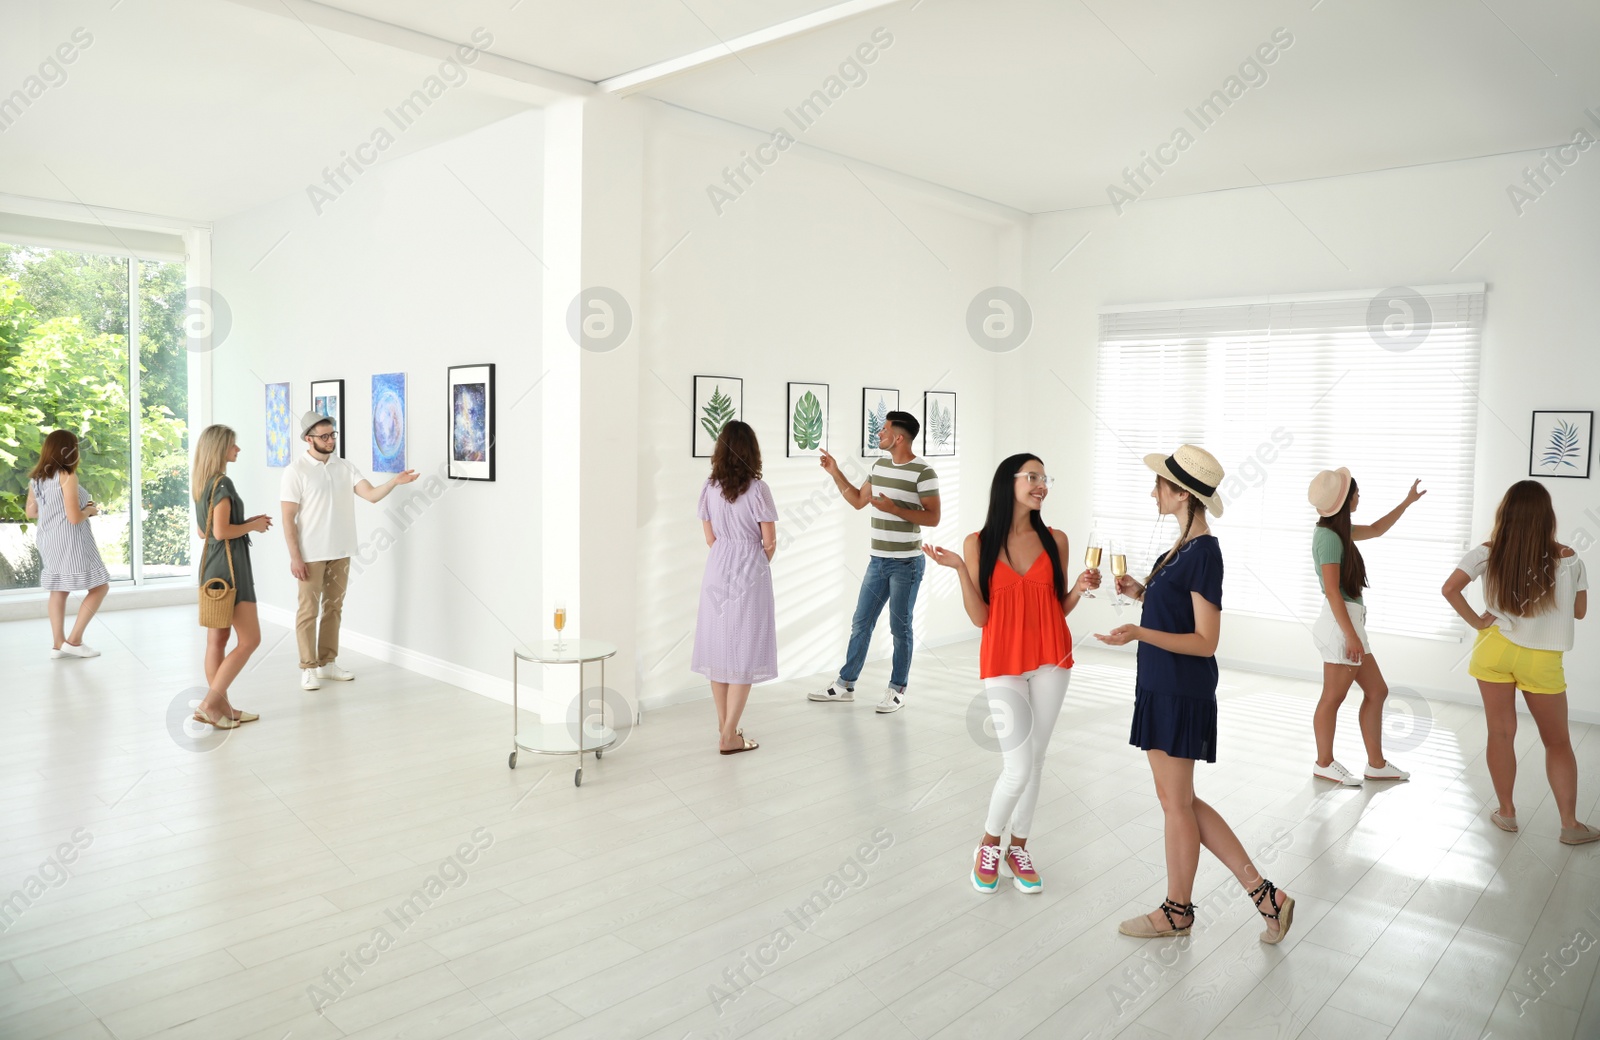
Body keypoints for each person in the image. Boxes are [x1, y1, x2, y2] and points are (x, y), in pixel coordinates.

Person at [1097, 445, 1293, 944]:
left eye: (1160, 484)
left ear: (1181, 493)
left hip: (1179, 688)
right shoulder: (1182, 546)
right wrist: (1143, 593)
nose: (1153, 491)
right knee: (1178, 800)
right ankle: (1264, 898)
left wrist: (1139, 632)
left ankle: (1180, 910)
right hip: (1162, 683)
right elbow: (1180, 613)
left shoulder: (1204, 551)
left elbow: (1206, 641)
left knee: (1176, 803)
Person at [924, 454, 1097, 894]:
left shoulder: (1056, 539)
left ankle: (1018, 848)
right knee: (1017, 765)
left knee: (1036, 760)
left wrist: (1077, 588)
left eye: (1045, 478)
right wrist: (961, 571)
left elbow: (1056, 608)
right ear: (1009, 482)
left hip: (1052, 657)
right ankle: (989, 842)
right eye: (1033, 477)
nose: (1042, 485)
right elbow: (981, 618)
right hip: (1002, 659)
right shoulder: (976, 544)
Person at [1442, 480, 1598, 845]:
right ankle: (1570, 825)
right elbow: (1579, 612)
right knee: (1557, 742)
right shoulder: (1568, 557)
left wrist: (1479, 621)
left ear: (1505, 513)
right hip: (1541, 660)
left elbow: (1450, 588)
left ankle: (1507, 813)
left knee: (1500, 733)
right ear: (1547, 516)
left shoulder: (1487, 552)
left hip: (1494, 649)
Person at [808, 410, 940, 713]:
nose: (879, 434)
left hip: (907, 563)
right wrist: (835, 472)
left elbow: (933, 517)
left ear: (899, 437)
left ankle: (897, 690)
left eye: (884, 430)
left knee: (900, 628)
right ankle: (845, 685)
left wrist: (894, 508)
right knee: (861, 623)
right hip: (878, 561)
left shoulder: (923, 473)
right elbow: (857, 501)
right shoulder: (879, 465)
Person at [281, 412, 418, 691]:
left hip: (342, 549)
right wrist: (295, 556)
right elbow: (288, 518)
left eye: (333, 435)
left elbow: (370, 495)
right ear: (309, 439)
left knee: (333, 607)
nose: (330, 440)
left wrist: (394, 482)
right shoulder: (295, 471)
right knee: (308, 610)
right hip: (310, 553)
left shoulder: (345, 467)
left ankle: (327, 663)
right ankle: (308, 667)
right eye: (324, 436)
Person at [1305, 469, 1425, 786]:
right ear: (1344, 499)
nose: (1359, 496)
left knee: (1377, 691)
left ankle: (1376, 764)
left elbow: (1375, 529)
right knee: (1333, 697)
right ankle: (1323, 763)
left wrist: (1407, 502)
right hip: (1340, 625)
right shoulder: (1329, 538)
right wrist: (1351, 635)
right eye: (1356, 492)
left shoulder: (1338, 531)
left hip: (1349, 623)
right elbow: (1332, 591)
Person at [691, 421, 777, 754]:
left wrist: (727, 557)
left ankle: (725, 727)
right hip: (749, 570)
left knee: (719, 647)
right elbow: (769, 541)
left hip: (716, 567)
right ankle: (729, 736)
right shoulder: (758, 489)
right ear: (751, 451)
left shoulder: (709, 487)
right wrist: (756, 565)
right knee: (745, 650)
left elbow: (710, 539)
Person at [192, 424, 270, 728]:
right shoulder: (223, 483)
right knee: (250, 639)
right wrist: (252, 527)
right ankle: (209, 705)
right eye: (233, 445)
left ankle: (222, 708)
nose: (237, 450)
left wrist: (245, 521)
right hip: (231, 568)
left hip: (212, 567)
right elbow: (222, 531)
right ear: (221, 449)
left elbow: (204, 532)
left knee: (217, 639)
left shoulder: (203, 483)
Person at [24, 430, 110, 658]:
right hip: (70, 540)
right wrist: (90, 510)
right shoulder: (67, 476)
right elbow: (73, 518)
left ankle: (57, 645)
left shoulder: (37, 479)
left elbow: (31, 512)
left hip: (47, 539)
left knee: (59, 589)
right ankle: (74, 640)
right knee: (100, 586)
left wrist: (53, 508)